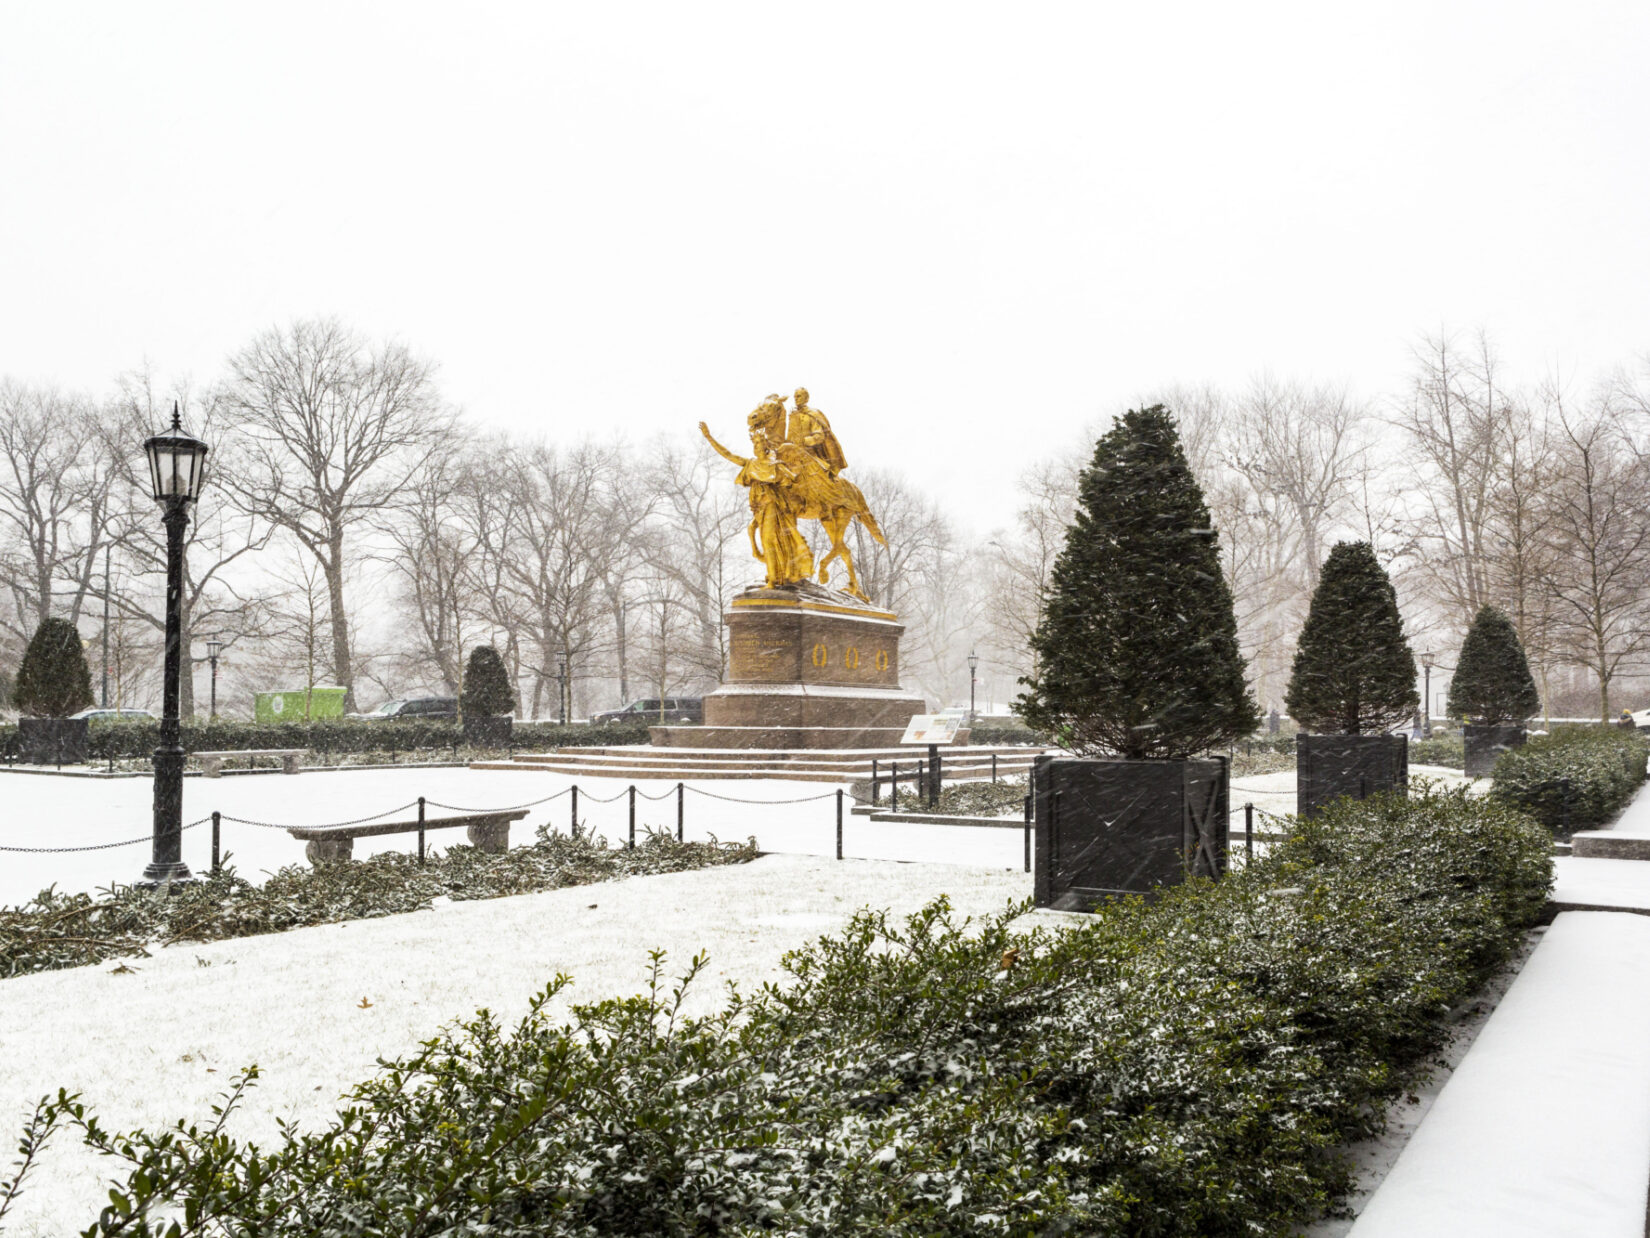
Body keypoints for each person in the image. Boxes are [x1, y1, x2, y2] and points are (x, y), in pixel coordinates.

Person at [788, 387, 848, 478]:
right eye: (795, 397)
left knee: (818, 478)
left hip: (808, 453)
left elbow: (819, 436)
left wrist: (805, 441)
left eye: (799, 396)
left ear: (806, 398)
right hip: (792, 453)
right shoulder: (793, 415)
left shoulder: (812, 415)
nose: (796, 399)